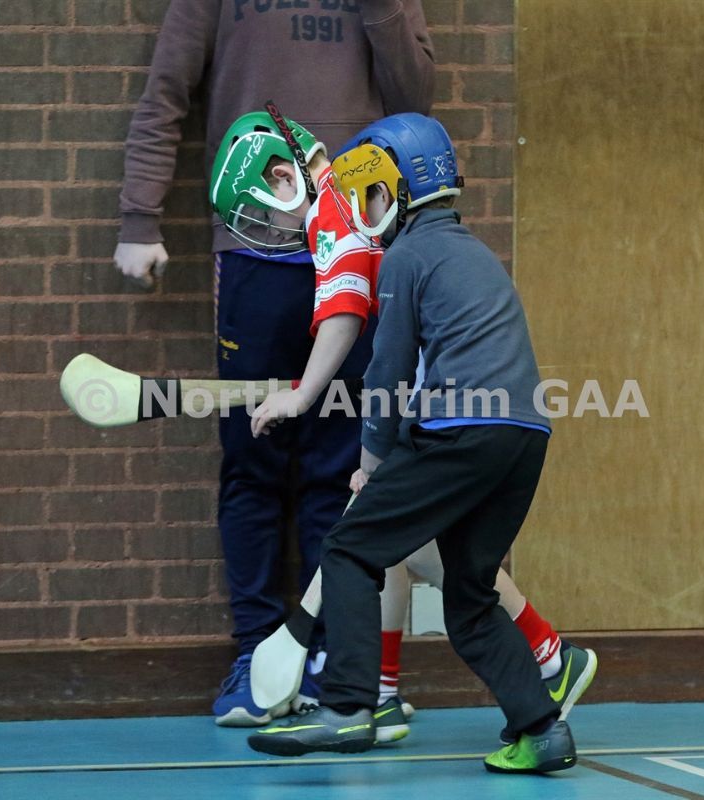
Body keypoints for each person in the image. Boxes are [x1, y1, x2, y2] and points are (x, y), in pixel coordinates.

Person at [211, 111, 594, 759]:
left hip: (458, 429)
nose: (363, 205)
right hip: (524, 437)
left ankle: (348, 708)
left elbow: (385, 373)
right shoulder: (473, 252)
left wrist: (371, 463)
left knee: (349, 550)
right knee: (469, 597)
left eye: (371, 193)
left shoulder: (406, 258)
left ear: (396, 191)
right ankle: (542, 729)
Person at [112, 0, 435, 727]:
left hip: (354, 248)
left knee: (340, 468)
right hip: (252, 252)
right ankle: (257, 655)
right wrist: (140, 216)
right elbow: (166, 92)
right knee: (251, 461)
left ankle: (325, 658)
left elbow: (415, 98)